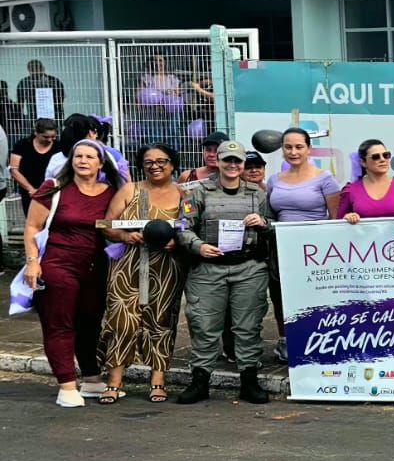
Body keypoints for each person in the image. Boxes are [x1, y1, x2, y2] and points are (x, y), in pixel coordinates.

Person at [174, 141, 274, 405]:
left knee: (248, 326)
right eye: (227, 160)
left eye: (237, 161)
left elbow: (275, 226)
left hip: (248, 268)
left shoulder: (257, 194)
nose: (232, 166)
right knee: (204, 325)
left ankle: (249, 381)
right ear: (217, 162)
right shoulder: (198, 192)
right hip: (208, 268)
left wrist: (263, 223)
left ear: (243, 165)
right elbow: (183, 226)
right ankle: (200, 381)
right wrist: (199, 246)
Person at [23, 140, 120, 407]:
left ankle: (91, 379)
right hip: (57, 264)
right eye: (78, 155)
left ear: (101, 163)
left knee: (90, 323)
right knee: (60, 323)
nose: (83, 160)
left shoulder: (112, 192)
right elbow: (32, 227)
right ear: (71, 160)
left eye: (90, 156)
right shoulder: (53, 189)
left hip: (95, 267)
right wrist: (33, 262)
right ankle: (66, 385)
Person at [97, 144, 185, 404]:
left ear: (172, 164)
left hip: (166, 266)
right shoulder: (130, 190)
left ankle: (158, 379)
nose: (155, 166)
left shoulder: (184, 194)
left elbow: (192, 226)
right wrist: (124, 234)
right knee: (122, 320)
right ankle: (114, 381)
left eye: (162, 161)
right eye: (149, 162)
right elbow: (105, 224)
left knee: (161, 320)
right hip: (128, 265)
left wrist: (178, 241)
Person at [264, 128, 340, 361]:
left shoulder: (325, 178)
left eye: (299, 146)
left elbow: (335, 219)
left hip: (314, 252)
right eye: (288, 147)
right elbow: (270, 216)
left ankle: (319, 338)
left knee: (314, 296)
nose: (293, 152)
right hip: (281, 249)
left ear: (308, 149)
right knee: (281, 297)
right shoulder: (274, 180)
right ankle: (286, 340)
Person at [339, 140, 394, 221]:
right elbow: (338, 224)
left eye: (386, 155)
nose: (382, 159)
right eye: (375, 157)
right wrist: (348, 217)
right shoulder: (350, 190)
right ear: (363, 162)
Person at [10, 117, 59, 213]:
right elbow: (14, 169)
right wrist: (31, 189)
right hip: (29, 192)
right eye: (45, 137)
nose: (50, 140)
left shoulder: (58, 146)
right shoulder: (22, 145)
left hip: (53, 192)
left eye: (53, 137)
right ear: (35, 132)